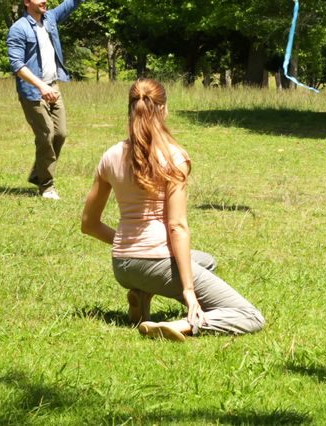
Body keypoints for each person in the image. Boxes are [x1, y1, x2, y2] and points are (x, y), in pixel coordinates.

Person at [81, 79, 265, 341]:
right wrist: (189, 291)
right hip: (154, 261)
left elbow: (88, 224)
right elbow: (177, 226)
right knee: (249, 316)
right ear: (164, 109)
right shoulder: (173, 157)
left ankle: (142, 296)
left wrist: (126, 246)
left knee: (206, 260)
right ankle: (180, 325)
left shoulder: (110, 155)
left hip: (122, 265)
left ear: (130, 109)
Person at [7, 0, 97, 200]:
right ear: (27, 2)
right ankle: (46, 185)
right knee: (46, 134)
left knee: (61, 134)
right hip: (32, 91)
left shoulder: (50, 20)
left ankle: (38, 172)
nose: (45, 1)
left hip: (53, 85)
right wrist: (40, 87)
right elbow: (17, 65)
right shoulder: (19, 29)